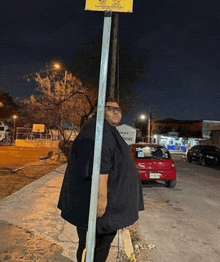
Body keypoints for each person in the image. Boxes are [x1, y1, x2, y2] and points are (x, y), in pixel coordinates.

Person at [57, 98, 144, 262]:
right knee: (91, 246)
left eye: (118, 109)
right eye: (111, 108)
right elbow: (99, 165)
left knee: (98, 245)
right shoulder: (97, 129)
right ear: (99, 111)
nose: (117, 111)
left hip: (105, 209)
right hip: (100, 208)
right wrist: (102, 199)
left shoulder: (104, 129)